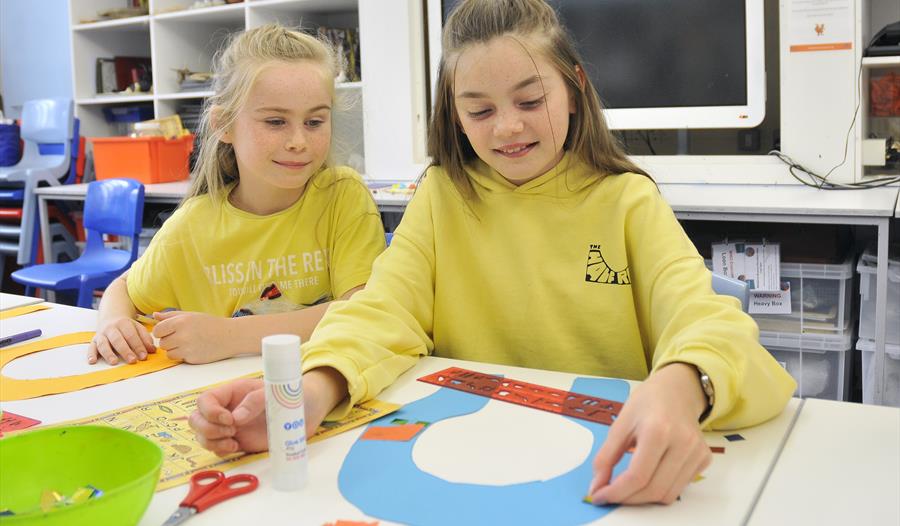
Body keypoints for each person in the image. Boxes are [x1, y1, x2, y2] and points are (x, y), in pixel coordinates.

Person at [190, 0, 795, 506]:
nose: (506, 128)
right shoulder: (442, 196)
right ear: (454, 115)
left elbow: (709, 323)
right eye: (479, 110)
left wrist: (682, 383)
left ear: (575, 88)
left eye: (530, 102)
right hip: (463, 462)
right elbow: (381, 312)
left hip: (599, 472)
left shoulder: (627, 202)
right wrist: (311, 392)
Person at [89, 24, 385, 366]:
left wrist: (227, 337)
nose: (299, 141)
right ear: (224, 124)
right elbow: (125, 289)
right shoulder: (193, 224)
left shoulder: (341, 196)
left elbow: (361, 310)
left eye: (315, 122)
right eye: (275, 122)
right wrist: (113, 323)